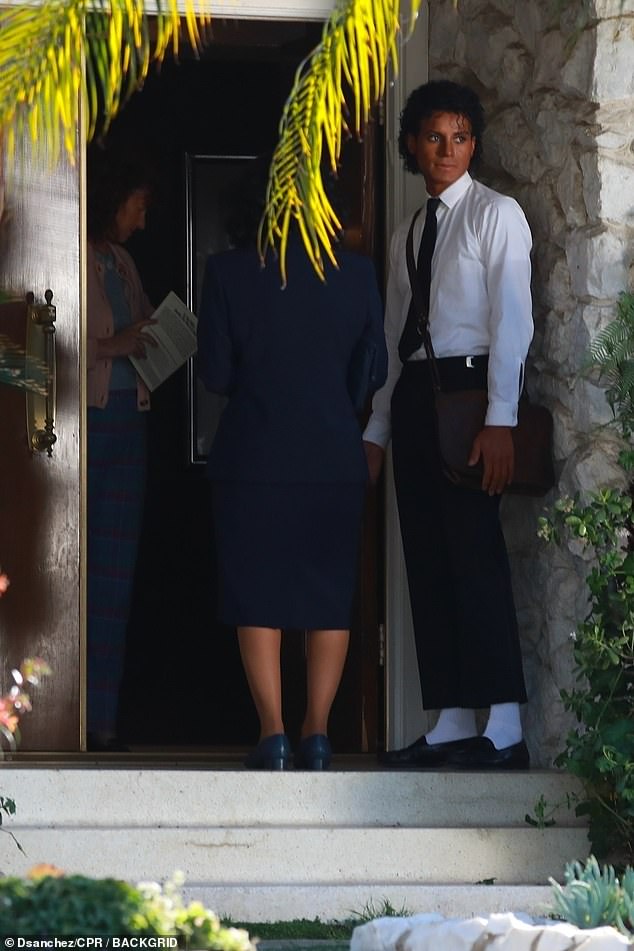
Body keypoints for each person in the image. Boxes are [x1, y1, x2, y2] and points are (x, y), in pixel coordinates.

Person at [363, 80, 534, 770]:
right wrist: (376, 430)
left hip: (471, 394)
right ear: (413, 142)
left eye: (461, 137)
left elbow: (513, 322)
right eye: (435, 136)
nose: (448, 150)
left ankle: (505, 725)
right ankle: (455, 715)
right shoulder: (410, 230)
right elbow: (391, 336)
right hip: (415, 398)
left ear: (474, 143)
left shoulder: (498, 215)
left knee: (475, 554)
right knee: (427, 557)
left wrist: (501, 419)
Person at [197, 163, 387, 770]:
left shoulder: (227, 272)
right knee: (328, 597)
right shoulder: (356, 273)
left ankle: (273, 733)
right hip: (332, 456)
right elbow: (372, 372)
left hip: (252, 455)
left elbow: (218, 376)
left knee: (257, 596)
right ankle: (319, 732)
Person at [86, 146, 157, 752]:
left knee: (115, 577)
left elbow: (142, 337)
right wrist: (117, 343)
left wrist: (157, 336)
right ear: (115, 201)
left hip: (128, 425)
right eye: (138, 206)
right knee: (69, 574)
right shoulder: (68, 255)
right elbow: (45, 350)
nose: (143, 219)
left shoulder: (126, 262)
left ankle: (101, 720)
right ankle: (56, 715)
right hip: (80, 425)